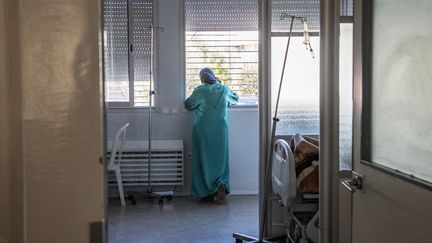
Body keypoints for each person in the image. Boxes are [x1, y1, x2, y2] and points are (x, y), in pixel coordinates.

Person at [184, 68, 239, 204]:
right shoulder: (224, 89)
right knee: (221, 160)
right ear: (214, 77)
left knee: (203, 159)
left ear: (202, 79)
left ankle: (205, 192)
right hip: (220, 129)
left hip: (203, 130)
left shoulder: (200, 91)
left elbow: (188, 104)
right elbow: (235, 99)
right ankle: (220, 184)